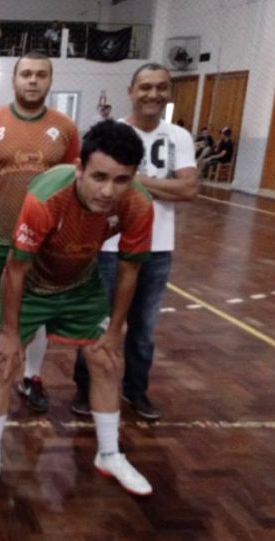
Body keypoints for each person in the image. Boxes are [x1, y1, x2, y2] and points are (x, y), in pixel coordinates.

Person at [0, 120, 155, 504]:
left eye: (121, 180)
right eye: (99, 177)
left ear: (133, 177)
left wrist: (115, 330)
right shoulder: (46, 198)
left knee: (107, 361)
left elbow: (129, 269)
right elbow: (16, 269)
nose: (108, 191)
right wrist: (9, 333)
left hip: (80, 283)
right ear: (79, 169)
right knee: (1, 364)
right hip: (32, 283)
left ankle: (109, 454)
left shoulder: (138, 204)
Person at [71, 63, 197, 421]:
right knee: (96, 321)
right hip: (108, 246)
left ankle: (135, 388)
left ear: (169, 92)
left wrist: (132, 181)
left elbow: (189, 188)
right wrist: (161, 185)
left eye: (161, 87)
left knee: (143, 326)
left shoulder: (179, 137)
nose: (153, 94)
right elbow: (94, 186)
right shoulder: (111, 134)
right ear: (131, 91)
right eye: (145, 87)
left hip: (158, 248)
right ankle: (85, 386)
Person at [0, 52, 80, 413]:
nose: (33, 80)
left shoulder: (65, 128)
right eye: (26, 74)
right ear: (14, 79)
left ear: (50, 81)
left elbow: (72, 182)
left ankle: (32, 377)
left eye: (41, 75)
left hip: (44, 245)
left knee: (37, 312)